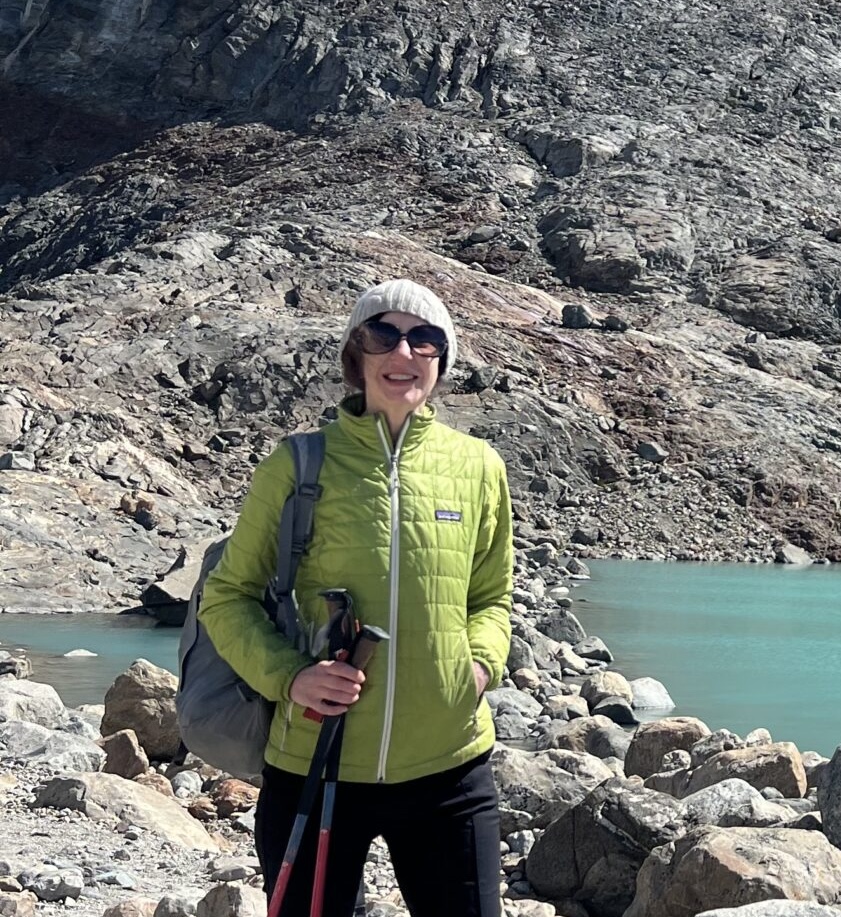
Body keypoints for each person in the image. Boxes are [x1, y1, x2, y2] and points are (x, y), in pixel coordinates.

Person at [198, 278, 514, 917]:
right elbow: (226, 596)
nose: (404, 352)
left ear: (442, 358)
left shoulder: (478, 467)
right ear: (356, 354)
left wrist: (478, 667)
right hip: (315, 765)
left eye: (424, 338)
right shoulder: (298, 465)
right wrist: (291, 678)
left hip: (449, 766)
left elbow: (491, 597)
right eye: (383, 334)